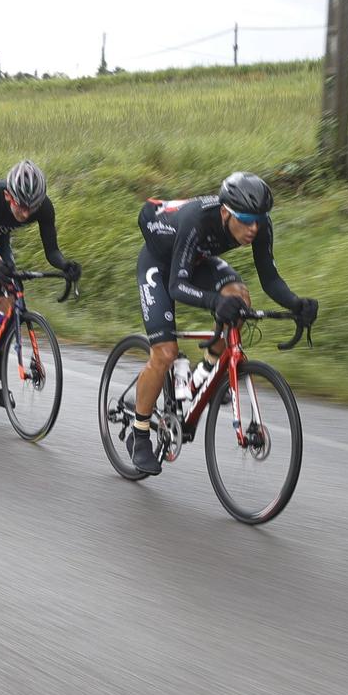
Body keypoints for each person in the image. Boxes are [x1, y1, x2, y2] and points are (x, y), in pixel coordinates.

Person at [124, 171, 317, 475]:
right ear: (226, 213)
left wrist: (296, 303)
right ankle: (140, 432)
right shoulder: (197, 220)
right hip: (161, 266)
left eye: (259, 219)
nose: (254, 227)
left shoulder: (257, 223)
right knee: (164, 353)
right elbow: (176, 285)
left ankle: (206, 370)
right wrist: (215, 302)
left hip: (196, 260)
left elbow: (269, 278)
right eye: (246, 219)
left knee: (239, 296)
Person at [0, 160, 82, 358]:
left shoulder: (44, 208)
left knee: (11, 299)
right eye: (21, 206)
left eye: (32, 207)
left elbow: (52, 251)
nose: (26, 213)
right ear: (8, 195)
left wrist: (65, 265)